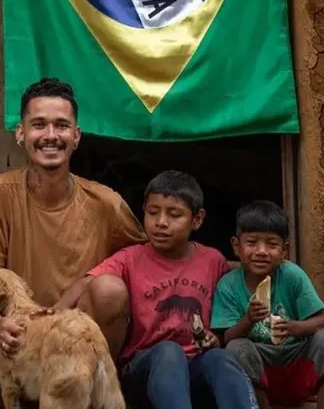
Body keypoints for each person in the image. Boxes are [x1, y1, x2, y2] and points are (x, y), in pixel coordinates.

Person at [0, 77, 146, 408]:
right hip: (18, 338)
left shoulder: (106, 203)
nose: (50, 136)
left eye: (61, 126)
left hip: (75, 345)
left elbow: (144, 260)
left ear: (76, 136)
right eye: (38, 125)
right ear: (20, 134)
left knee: (111, 291)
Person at [84, 170, 259, 409]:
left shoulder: (213, 261)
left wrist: (215, 339)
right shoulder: (130, 258)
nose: (161, 222)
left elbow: (225, 314)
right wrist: (42, 317)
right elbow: (87, 282)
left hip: (195, 367)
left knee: (221, 358)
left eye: (174, 214)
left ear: (197, 220)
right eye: (153, 212)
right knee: (169, 352)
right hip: (142, 369)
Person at [210, 200, 324, 409]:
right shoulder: (228, 285)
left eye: (272, 244)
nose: (262, 251)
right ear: (237, 246)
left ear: (284, 250)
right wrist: (248, 320)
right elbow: (226, 339)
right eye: (252, 243)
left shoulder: (292, 275)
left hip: (297, 367)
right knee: (237, 348)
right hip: (259, 375)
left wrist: (294, 327)